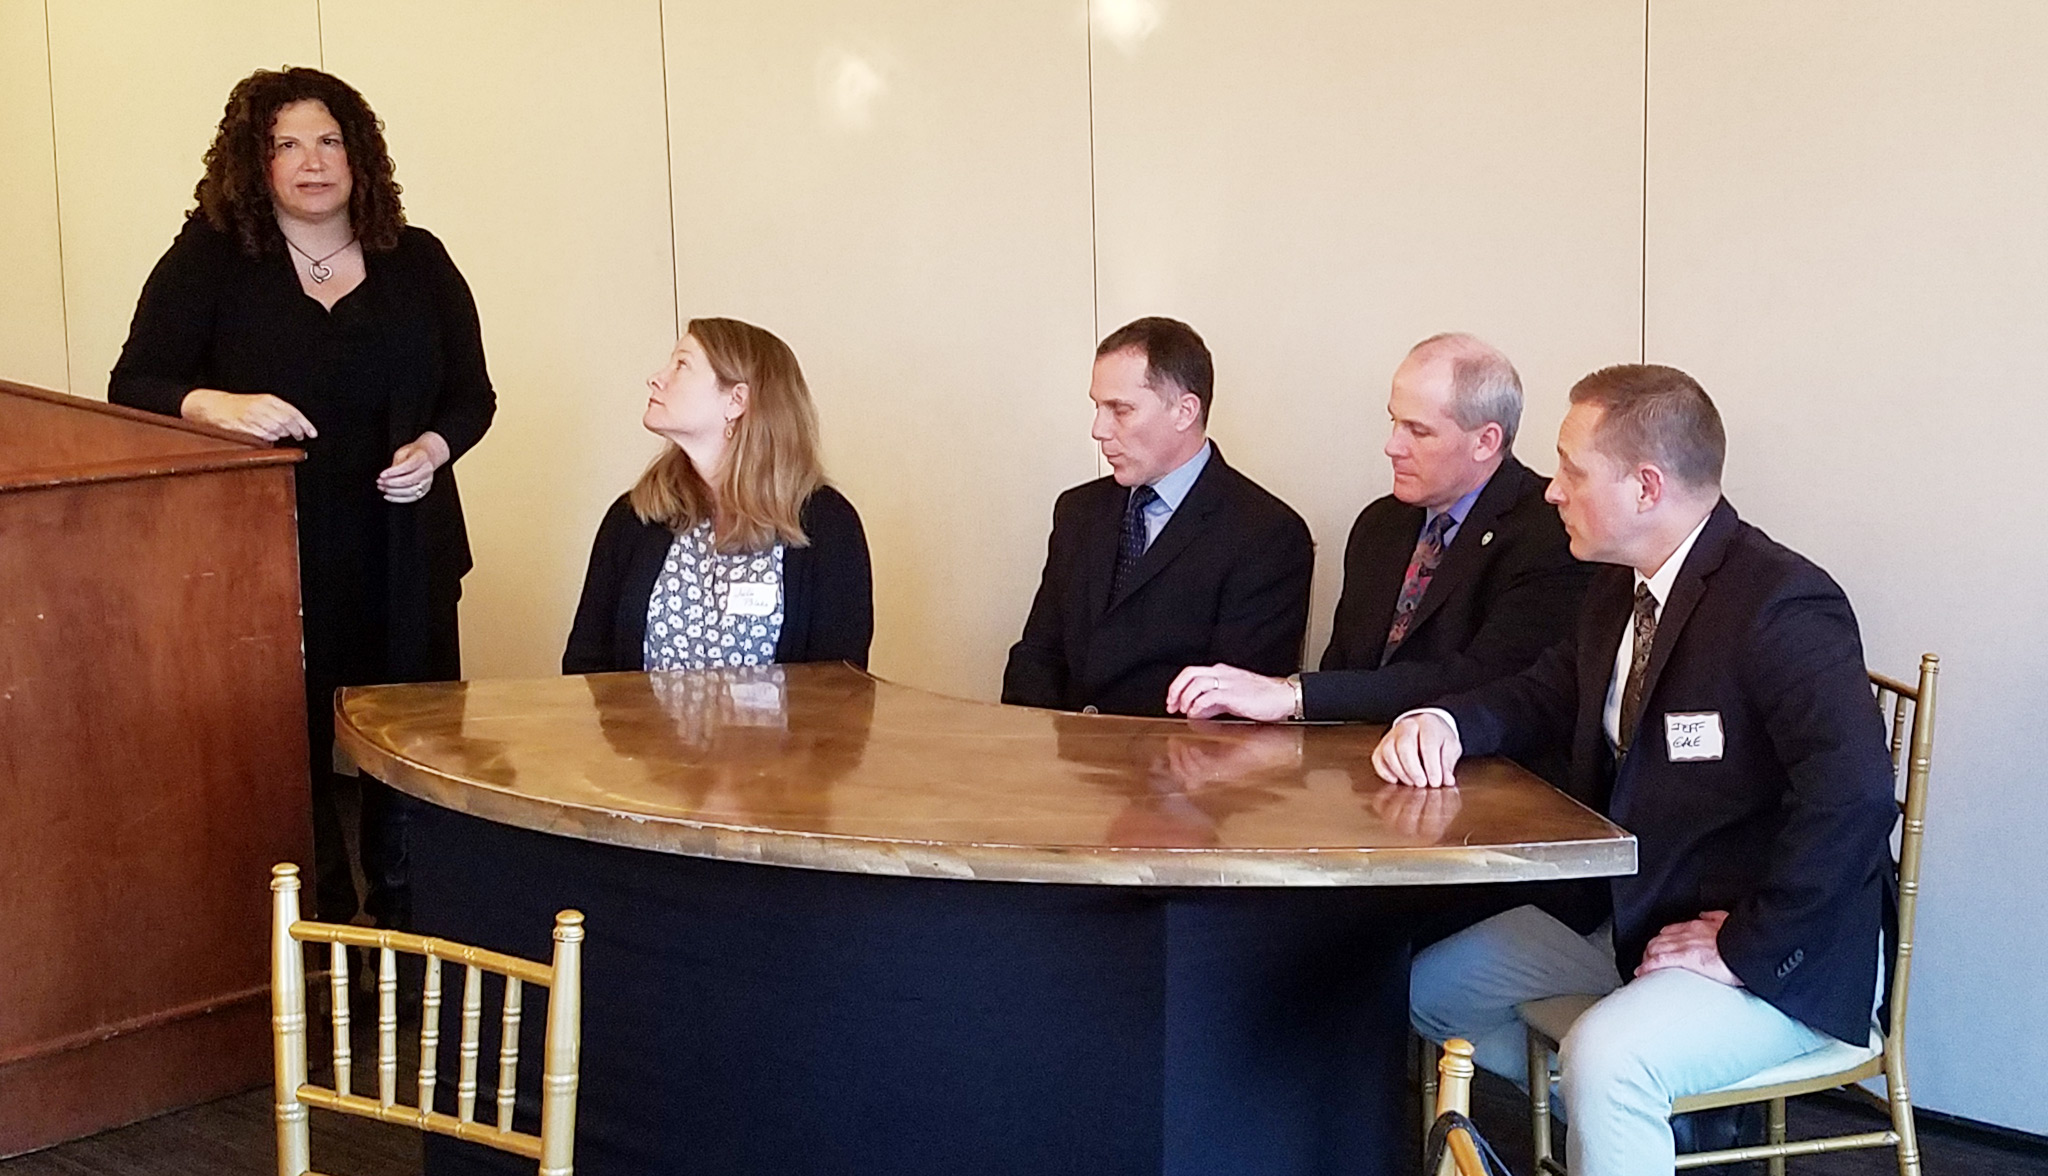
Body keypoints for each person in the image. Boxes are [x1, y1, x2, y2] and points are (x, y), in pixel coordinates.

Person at [1373, 365, 1898, 1176]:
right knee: (1429, 989)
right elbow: (1545, 691)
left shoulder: (1781, 602)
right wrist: (1444, 722)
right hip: (1643, 922)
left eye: (1572, 472)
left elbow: (1856, 796)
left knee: (1608, 1056)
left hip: (1777, 952)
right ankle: (1648, 1134)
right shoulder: (1620, 588)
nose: (1552, 491)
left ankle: (1626, 1108)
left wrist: (1748, 943)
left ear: (1646, 487)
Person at [110, 67, 496, 931]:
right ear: (256, 163)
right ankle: (317, 937)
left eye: (328, 141)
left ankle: (409, 932)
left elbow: (473, 396)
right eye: (286, 145)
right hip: (268, 555)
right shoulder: (209, 262)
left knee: (410, 742)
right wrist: (219, 405)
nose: (312, 162)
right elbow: (134, 382)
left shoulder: (419, 259)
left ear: (360, 157)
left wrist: (434, 449)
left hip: (404, 546)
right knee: (288, 751)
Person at [1167, 333, 1589, 724]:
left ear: (1485, 441)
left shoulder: (1549, 532)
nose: (1392, 447)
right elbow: (1345, 667)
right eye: (1395, 422)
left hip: (1482, 769)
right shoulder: (1379, 524)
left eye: (1418, 431)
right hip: (1355, 763)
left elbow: (1484, 679)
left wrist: (1295, 695)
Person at [1002, 317, 1314, 717]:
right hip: (1063, 752)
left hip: (1177, 756)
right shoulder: (1078, 511)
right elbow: (1038, 657)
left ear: (1184, 411)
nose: (1099, 429)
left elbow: (1234, 713)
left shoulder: (1267, 535)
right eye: (1098, 407)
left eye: (1120, 410)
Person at [563, 318, 873, 676]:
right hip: (641, 718)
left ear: (736, 400)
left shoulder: (827, 525)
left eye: (682, 365)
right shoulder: (634, 518)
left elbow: (838, 687)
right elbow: (586, 668)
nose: (656, 378)